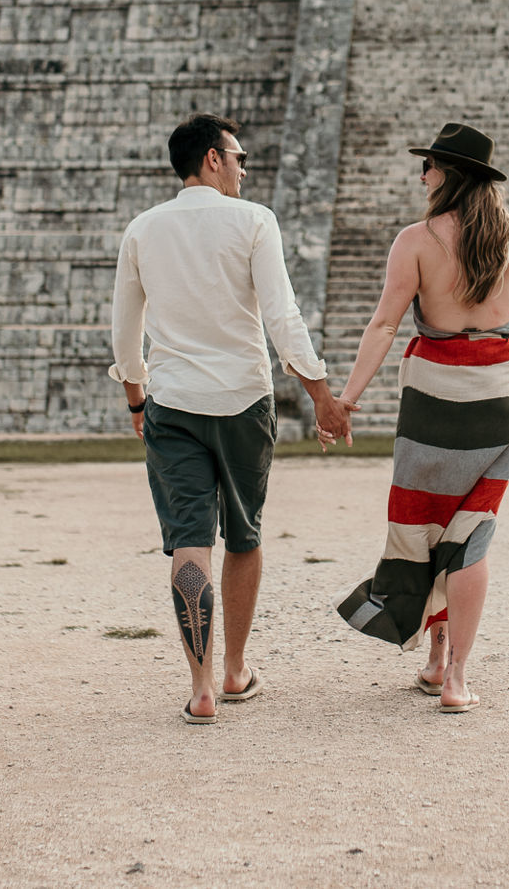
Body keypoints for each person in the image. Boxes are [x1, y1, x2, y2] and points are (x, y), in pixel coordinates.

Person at [109, 113, 352, 725]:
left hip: (173, 404)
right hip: (244, 401)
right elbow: (282, 317)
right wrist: (321, 394)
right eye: (239, 157)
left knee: (189, 539)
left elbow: (126, 333)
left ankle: (200, 687)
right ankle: (235, 669)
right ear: (213, 158)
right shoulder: (253, 221)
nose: (244, 169)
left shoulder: (142, 229)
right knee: (244, 535)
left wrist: (137, 400)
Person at [330, 123, 509, 713]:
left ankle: (436, 659)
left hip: (433, 396)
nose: (422, 175)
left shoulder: (417, 241)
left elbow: (384, 325)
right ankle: (453, 676)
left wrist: (347, 398)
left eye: (427, 166)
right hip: (500, 398)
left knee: (427, 526)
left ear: (450, 174)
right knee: (470, 535)